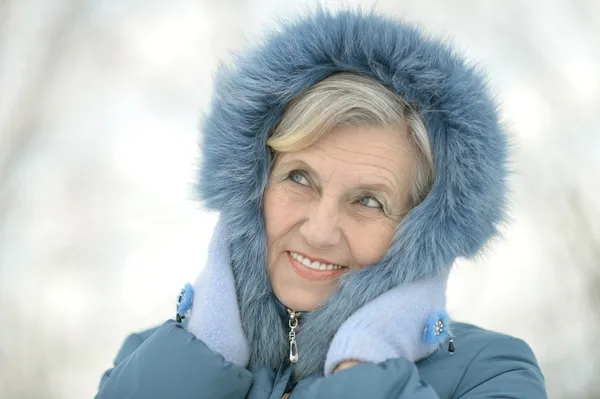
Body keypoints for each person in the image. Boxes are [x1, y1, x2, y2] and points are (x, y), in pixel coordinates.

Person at [96, 9, 547, 399]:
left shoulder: (490, 370)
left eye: (368, 201)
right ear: (252, 189)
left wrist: (365, 362)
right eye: (299, 178)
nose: (319, 230)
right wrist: (204, 348)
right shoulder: (150, 356)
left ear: (423, 228)